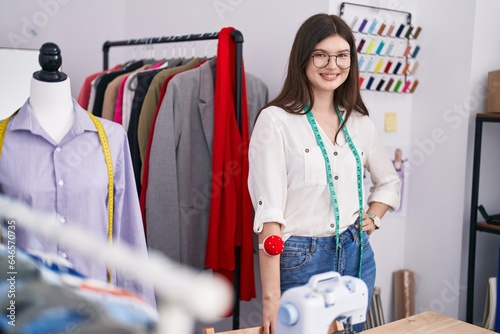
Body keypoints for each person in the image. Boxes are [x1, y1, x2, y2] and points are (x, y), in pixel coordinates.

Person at [248, 14, 401, 333]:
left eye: (342, 55)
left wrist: (373, 218)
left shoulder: (359, 123)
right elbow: (270, 217)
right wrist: (271, 299)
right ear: (303, 57)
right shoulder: (274, 121)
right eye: (321, 54)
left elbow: (388, 182)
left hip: (356, 254)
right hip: (300, 260)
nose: (333, 64)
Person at [0, 43, 155, 307]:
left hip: (95, 314)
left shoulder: (111, 139)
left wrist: (142, 315)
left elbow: (127, 236)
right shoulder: (4, 142)